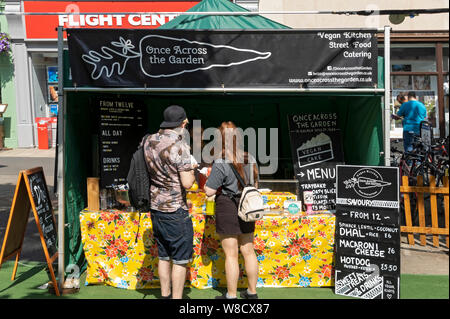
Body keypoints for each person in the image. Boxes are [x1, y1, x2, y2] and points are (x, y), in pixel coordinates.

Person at [143, 105, 197, 299]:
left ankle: (165, 295)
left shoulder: (148, 141)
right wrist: (191, 167)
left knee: (163, 256)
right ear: (182, 124)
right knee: (180, 260)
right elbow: (188, 183)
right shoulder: (180, 146)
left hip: (156, 206)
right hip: (175, 209)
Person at [204, 121, 259, 300]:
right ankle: (252, 293)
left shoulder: (220, 162)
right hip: (248, 206)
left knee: (231, 254)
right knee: (249, 250)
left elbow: (209, 191)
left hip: (227, 205)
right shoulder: (249, 158)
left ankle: (232, 296)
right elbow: (255, 185)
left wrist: (208, 176)